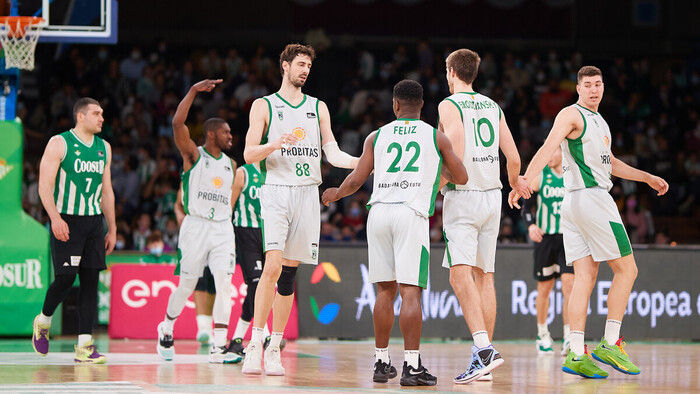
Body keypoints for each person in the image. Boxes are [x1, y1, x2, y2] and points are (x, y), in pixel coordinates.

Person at [509, 65, 669, 379]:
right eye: (588, 85)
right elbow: (548, 146)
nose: (594, 89)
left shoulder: (601, 124)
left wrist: (646, 177)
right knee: (628, 269)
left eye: (598, 84)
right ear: (579, 89)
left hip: (573, 206)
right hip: (592, 200)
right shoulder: (572, 114)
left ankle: (577, 351)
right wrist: (524, 180)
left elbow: (611, 164)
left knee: (584, 277)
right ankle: (610, 342)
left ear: (603, 87)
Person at [323, 80, 468, 386]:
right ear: (422, 106)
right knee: (410, 292)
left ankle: (380, 362)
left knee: (384, 291)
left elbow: (356, 179)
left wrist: (336, 193)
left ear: (395, 105)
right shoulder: (435, 136)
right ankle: (412, 366)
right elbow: (462, 176)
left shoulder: (377, 135)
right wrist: (436, 174)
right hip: (410, 214)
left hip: (378, 213)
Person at [241, 43, 358, 376]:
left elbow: (332, 153)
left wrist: (363, 163)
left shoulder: (318, 107)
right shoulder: (263, 106)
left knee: (289, 275)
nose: (305, 70)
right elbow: (249, 154)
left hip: (308, 193)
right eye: (301, 64)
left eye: (309, 65)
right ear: (285, 66)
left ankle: (274, 347)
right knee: (273, 266)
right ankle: (254, 344)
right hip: (276, 190)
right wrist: (273, 144)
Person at [439, 48, 531, 383]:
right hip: (493, 196)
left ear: (451, 72)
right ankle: (484, 359)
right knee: (485, 276)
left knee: (458, 276)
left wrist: (439, 183)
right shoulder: (492, 105)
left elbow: (456, 148)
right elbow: (514, 156)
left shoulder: (448, 105)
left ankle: (484, 351)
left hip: (464, 196)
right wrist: (514, 183)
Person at [156, 79, 241, 364]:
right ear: (211, 134)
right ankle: (166, 327)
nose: (231, 135)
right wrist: (192, 90)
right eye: (226, 132)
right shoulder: (194, 155)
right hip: (195, 225)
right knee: (187, 285)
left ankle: (219, 346)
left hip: (222, 228)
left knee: (225, 284)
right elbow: (177, 124)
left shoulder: (232, 164)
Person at [32, 97, 117, 364]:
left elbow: (107, 191)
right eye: (96, 113)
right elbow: (44, 185)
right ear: (80, 116)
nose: (101, 118)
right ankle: (44, 320)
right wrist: (55, 218)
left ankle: (84, 346)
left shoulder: (105, 147)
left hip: (93, 221)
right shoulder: (59, 143)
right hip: (66, 219)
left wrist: (112, 227)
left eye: (102, 113)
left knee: (91, 282)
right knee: (66, 279)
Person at [520, 146, 573, 355]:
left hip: (568, 238)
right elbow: (526, 206)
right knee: (545, 289)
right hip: (546, 238)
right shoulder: (541, 176)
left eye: (553, 151)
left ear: (562, 153)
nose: (549, 156)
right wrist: (531, 225)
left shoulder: (571, 175)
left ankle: (569, 336)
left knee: (569, 287)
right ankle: (542, 334)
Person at [227, 162, 281, 356]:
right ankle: (266, 337)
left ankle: (236, 341)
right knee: (257, 282)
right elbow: (229, 207)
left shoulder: (275, 172)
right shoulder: (242, 173)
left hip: (268, 233)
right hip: (245, 231)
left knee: (257, 286)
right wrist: (228, 237)